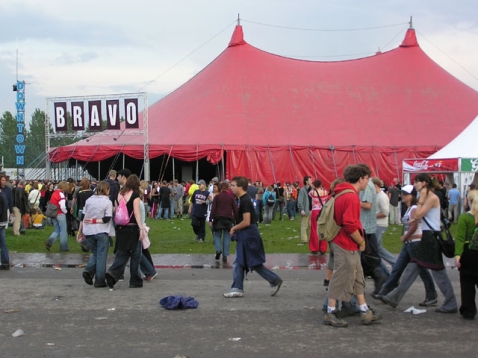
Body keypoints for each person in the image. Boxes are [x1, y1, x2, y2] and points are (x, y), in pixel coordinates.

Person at [380, 173, 457, 313]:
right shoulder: (427, 197)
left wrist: (420, 199)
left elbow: (418, 215)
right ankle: (393, 297)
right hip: (426, 238)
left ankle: (450, 302)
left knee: (438, 271)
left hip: (430, 238)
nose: (415, 185)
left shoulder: (432, 197)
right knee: (412, 268)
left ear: (424, 183)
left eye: (417, 182)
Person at [324, 164, 382, 328]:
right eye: (367, 179)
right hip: (346, 242)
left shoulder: (343, 193)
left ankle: (364, 310)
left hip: (343, 241)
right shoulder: (351, 196)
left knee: (358, 276)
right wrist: (361, 241)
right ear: (361, 178)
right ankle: (331, 311)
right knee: (340, 276)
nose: (368, 182)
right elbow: (349, 224)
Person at [372, 185, 437, 306]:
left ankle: (431, 295)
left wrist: (405, 237)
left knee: (421, 271)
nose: (403, 196)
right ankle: (384, 292)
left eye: (405, 194)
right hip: (409, 244)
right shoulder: (408, 208)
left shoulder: (413, 208)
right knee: (397, 268)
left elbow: (414, 226)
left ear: (411, 196)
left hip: (415, 243)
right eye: (402, 193)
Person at [223, 176, 283, 298]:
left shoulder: (245, 201)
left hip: (248, 235)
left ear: (241, 187)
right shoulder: (242, 199)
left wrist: (234, 228)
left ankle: (273, 280)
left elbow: (246, 221)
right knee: (241, 262)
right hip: (246, 234)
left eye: (233, 185)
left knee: (251, 262)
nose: (231, 188)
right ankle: (238, 287)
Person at [105, 174, 145, 289]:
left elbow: (117, 211)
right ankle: (135, 280)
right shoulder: (135, 195)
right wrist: (141, 228)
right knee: (135, 254)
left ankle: (113, 272)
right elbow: (136, 213)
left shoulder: (119, 194)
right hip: (133, 228)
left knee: (122, 253)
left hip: (121, 228)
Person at [79, 181, 114, 288]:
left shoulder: (89, 200)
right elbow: (107, 218)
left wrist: (80, 231)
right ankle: (99, 280)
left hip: (88, 231)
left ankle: (89, 271)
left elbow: (83, 216)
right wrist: (96, 221)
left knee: (96, 253)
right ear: (107, 190)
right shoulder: (107, 202)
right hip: (101, 230)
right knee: (101, 256)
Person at [454, 189, 478, 319]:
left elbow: (460, 238)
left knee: (467, 283)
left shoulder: (464, 217)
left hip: (468, 252)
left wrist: (458, 255)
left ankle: (468, 310)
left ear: (468, 201)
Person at [371, 177, 396, 272]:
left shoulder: (382, 196)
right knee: (377, 247)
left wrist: (372, 216)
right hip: (376, 224)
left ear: (376, 185)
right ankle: (392, 264)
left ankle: (393, 263)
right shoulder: (375, 196)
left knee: (376, 248)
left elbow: (385, 212)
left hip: (380, 225)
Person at [209, 182, 238, 262]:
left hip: (218, 219)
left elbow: (213, 209)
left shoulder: (217, 197)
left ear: (220, 188)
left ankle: (218, 250)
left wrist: (211, 219)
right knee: (227, 236)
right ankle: (225, 255)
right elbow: (235, 210)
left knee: (217, 235)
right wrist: (237, 220)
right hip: (228, 219)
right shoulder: (231, 198)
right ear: (227, 188)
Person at [45, 181, 70, 252]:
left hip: (54, 214)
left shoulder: (54, 193)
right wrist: (66, 212)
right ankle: (64, 247)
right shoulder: (61, 194)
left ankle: (49, 242)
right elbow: (62, 206)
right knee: (63, 231)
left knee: (56, 230)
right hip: (60, 214)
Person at [309, 179, 328, 254]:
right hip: (323, 211)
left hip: (315, 211)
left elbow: (310, 194)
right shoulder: (325, 192)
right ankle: (323, 248)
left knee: (314, 229)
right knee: (323, 229)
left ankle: (314, 248)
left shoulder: (312, 192)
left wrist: (312, 187)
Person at [298, 176, 312, 243]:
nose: (311, 181)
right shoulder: (302, 190)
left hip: (312, 210)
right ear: (306, 182)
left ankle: (310, 239)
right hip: (306, 210)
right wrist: (302, 209)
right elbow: (300, 200)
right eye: (310, 180)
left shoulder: (312, 189)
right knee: (304, 225)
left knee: (311, 225)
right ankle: (304, 239)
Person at [0, 187, 10, 270]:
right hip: (3, 222)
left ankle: (4, 261)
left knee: (3, 244)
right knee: (3, 243)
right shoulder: (3, 196)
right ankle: (5, 262)